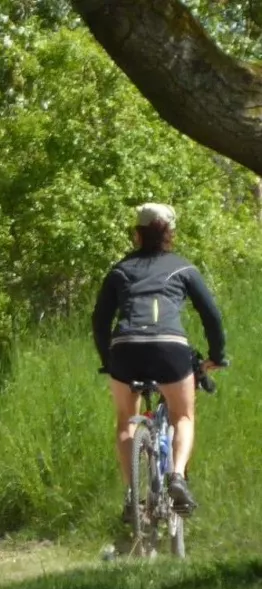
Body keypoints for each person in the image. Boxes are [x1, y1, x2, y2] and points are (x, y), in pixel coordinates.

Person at [92, 202, 227, 522]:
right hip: (170, 348)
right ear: (171, 234)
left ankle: (132, 497)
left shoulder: (120, 270)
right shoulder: (183, 268)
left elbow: (100, 319)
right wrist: (217, 355)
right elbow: (211, 315)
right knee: (183, 415)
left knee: (126, 420)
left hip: (125, 347)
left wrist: (108, 360)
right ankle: (177, 476)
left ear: (137, 235)